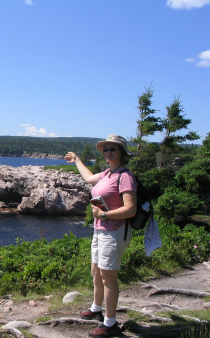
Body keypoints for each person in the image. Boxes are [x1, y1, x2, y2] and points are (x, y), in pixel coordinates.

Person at [64, 134, 137, 338]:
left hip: (114, 232)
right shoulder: (108, 174)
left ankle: (110, 324)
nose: (108, 152)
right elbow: (88, 178)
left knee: (108, 277)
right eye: (105, 149)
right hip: (100, 230)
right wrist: (77, 160)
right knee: (96, 271)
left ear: (121, 153)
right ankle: (97, 308)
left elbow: (130, 209)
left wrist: (105, 214)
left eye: (112, 149)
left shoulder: (125, 177)